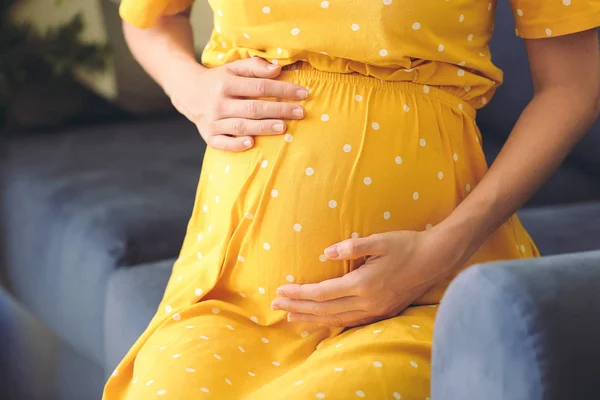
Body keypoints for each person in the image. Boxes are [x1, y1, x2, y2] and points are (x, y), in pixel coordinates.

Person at [103, 0, 600, 398]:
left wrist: (443, 249)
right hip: (233, 295)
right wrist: (186, 84)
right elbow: (149, 19)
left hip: (427, 293)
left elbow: (573, 84)